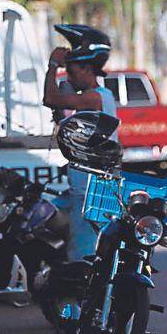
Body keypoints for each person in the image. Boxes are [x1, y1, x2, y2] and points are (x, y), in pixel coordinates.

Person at [42, 24, 118, 261]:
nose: (70, 77)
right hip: (84, 185)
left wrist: (53, 66)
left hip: (89, 189)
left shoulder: (94, 97)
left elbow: (50, 98)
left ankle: (79, 295)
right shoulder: (97, 97)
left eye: (72, 71)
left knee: (81, 254)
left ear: (87, 69)